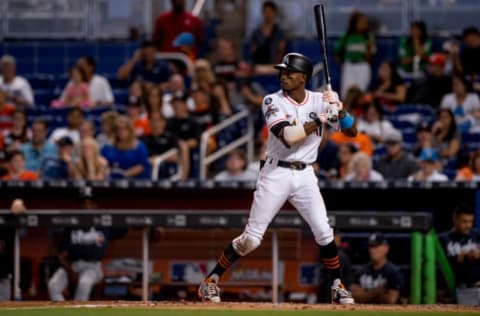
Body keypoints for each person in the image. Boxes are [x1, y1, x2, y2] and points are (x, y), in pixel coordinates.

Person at [197, 52, 357, 304]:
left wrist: (341, 109)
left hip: (305, 174)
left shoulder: (319, 100)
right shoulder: (272, 100)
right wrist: (323, 119)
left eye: (289, 73)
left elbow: (352, 132)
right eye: (282, 72)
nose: (284, 76)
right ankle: (211, 280)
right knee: (251, 240)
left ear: (303, 77)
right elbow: (290, 137)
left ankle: (338, 286)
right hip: (275, 173)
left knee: (324, 232)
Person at [47, 187, 126, 301]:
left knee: (84, 283)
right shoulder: (72, 225)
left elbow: (129, 225)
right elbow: (61, 255)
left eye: (90, 203)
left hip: (93, 267)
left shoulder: (105, 224)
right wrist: (70, 271)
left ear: (95, 205)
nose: (86, 206)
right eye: (83, 203)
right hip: (72, 265)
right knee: (53, 285)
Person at [439, 203, 480, 305]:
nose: (468, 225)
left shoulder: (477, 235)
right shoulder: (443, 239)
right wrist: (464, 256)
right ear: (455, 219)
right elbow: (444, 266)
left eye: (471, 222)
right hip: (459, 287)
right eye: (464, 221)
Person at [350, 233, 404, 304]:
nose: (373, 250)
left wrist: (365, 295)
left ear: (386, 248)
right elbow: (353, 296)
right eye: (371, 246)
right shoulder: (361, 271)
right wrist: (378, 292)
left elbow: (390, 299)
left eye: (376, 246)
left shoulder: (393, 272)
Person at [334, 11, 376, 98]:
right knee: (346, 94)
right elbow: (337, 52)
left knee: (361, 93)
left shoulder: (369, 37)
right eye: (361, 22)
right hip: (349, 66)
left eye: (365, 23)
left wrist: (369, 48)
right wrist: (343, 64)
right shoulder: (346, 36)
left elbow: (370, 57)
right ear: (354, 23)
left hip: (363, 66)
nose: (364, 24)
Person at [0, 199, 27, 301]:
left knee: (4, 304)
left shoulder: (9, 223)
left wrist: (21, 213)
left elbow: (24, 232)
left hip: (5, 274)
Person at [249, 1, 287, 65]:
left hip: (273, 65)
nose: (268, 15)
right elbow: (253, 51)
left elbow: (281, 51)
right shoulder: (256, 33)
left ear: (274, 13)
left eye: (270, 12)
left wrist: (275, 64)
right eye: (266, 12)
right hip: (258, 65)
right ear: (263, 13)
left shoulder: (279, 33)